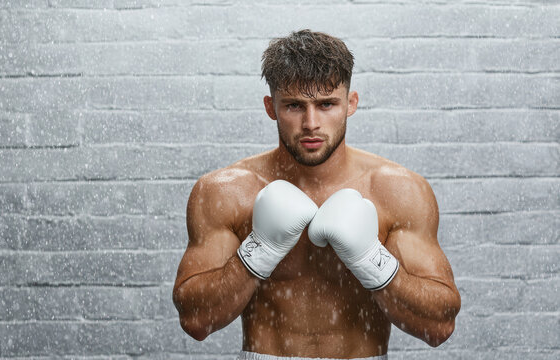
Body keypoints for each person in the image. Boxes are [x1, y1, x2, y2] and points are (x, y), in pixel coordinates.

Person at [172, 29, 461, 360]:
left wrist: (372, 259)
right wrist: (258, 250)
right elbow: (195, 320)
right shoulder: (229, 192)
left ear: (351, 103)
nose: (311, 123)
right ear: (271, 107)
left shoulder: (396, 190)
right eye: (294, 105)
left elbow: (440, 326)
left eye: (326, 104)